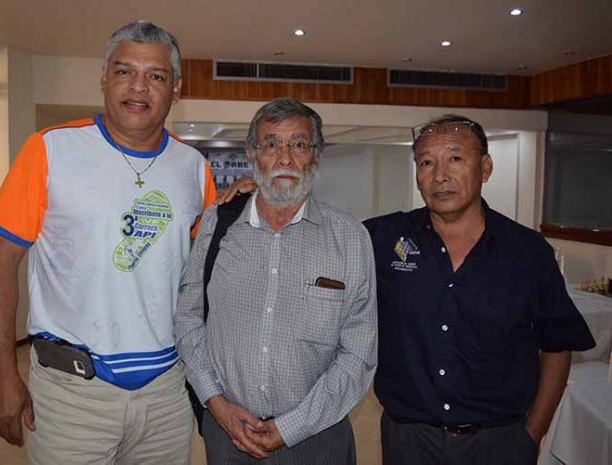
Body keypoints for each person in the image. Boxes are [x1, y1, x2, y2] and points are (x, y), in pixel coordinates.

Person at [0, 21, 216, 464]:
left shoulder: (193, 167)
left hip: (166, 392)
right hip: (72, 394)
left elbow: (207, 272)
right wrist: (0, 373)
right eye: (125, 72)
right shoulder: (50, 150)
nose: (139, 87)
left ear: (176, 89)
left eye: (156, 76)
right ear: (104, 78)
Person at [363, 114, 595, 465]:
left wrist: (531, 434)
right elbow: (320, 237)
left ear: (485, 167)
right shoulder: (384, 238)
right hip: (409, 440)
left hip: (498, 443)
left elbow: (558, 346)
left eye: (455, 158)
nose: (439, 175)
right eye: (426, 162)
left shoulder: (527, 252)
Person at [175, 98, 377, 464]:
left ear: (315, 155)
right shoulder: (217, 225)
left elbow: (358, 353)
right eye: (271, 144)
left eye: (298, 144)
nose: (284, 158)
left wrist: (293, 425)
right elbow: (189, 318)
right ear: (252, 154)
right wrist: (215, 402)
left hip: (318, 440)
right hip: (228, 435)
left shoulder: (350, 237)